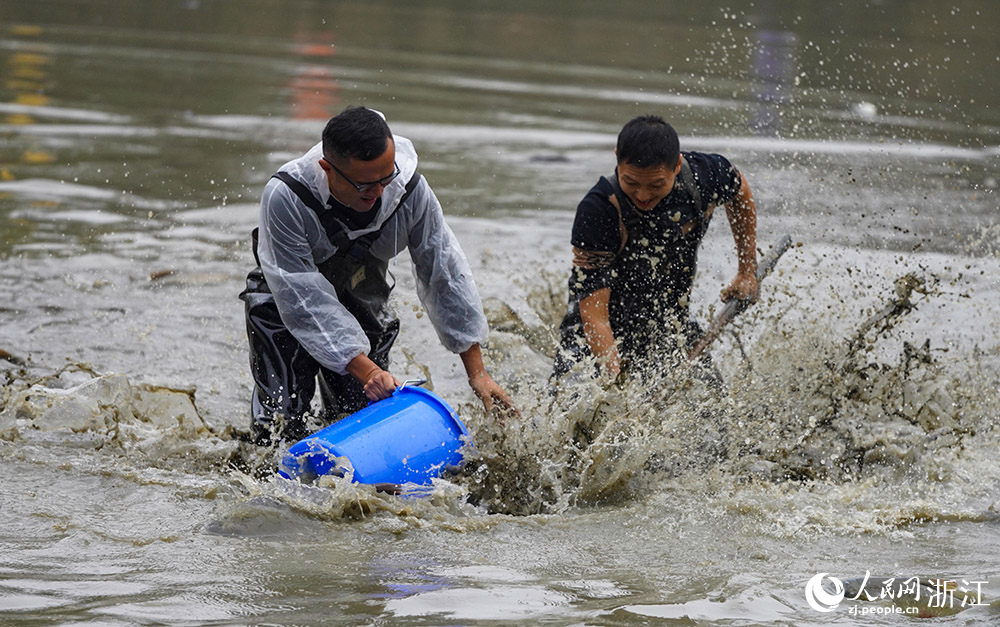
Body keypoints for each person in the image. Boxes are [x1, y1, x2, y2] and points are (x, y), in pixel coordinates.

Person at [240, 105, 514, 445]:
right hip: (284, 297)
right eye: (365, 185)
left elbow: (444, 272)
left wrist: (477, 372)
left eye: (387, 178)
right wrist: (367, 370)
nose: (380, 192)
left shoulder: (411, 191)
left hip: (361, 290)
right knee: (278, 423)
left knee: (362, 416)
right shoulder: (287, 197)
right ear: (328, 169)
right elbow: (301, 297)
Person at [551, 115, 758, 382]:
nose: (643, 196)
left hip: (669, 320)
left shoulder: (705, 175)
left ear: (677, 165)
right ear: (617, 159)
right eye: (632, 183)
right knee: (576, 401)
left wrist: (746, 270)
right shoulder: (598, 210)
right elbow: (595, 317)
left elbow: (740, 193)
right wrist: (617, 386)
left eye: (656, 185)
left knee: (713, 408)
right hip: (595, 329)